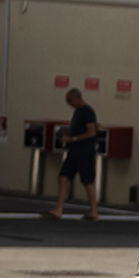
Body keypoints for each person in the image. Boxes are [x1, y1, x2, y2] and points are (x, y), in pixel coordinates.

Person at [46, 88, 100, 221]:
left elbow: (91, 132)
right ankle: (58, 209)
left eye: (70, 101)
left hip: (84, 151)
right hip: (74, 151)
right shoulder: (78, 112)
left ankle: (93, 211)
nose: (69, 104)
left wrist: (73, 138)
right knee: (62, 177)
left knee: (87, 181)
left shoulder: (88, 112)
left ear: (77, 98)